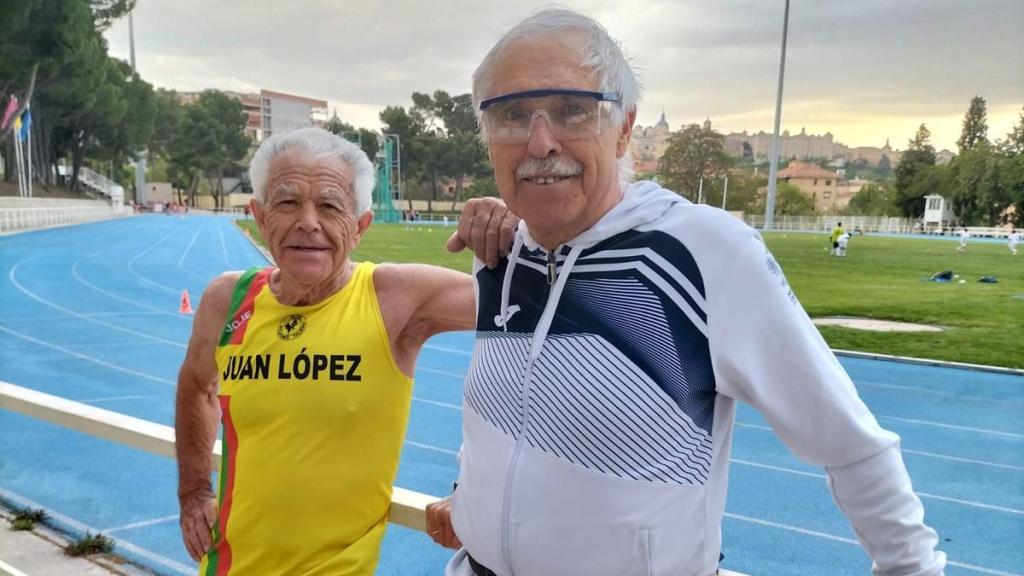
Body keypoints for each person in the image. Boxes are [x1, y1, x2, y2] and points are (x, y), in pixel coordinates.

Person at [426, 8, 946, 576]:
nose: (541, 141)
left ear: (624, 126)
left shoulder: (705, 251)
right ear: (487, 137)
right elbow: (505, 416)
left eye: (573, 110)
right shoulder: (501, 253)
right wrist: (471, 492)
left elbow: (850, 444)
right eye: (513, 114)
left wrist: (911, 569)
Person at [175, 127, 514, 575]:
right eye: (288, 202)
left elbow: (534, 313)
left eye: (330, 205)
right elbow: (197, 386)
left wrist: (515, 228)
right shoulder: (228, 299)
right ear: (259, 216)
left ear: (359, 227)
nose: (308, 222)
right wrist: (195, 490)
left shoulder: (394, 297)